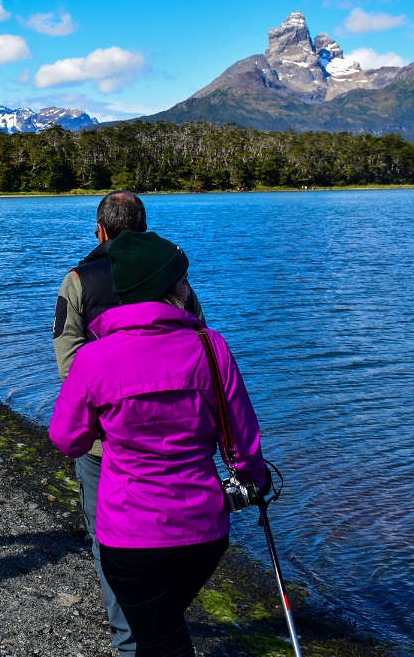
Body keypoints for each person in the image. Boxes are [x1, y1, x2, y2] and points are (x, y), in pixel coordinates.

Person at [49, 231, 268, 657]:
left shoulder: (95, 357)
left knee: (161, 638)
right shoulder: (211, 346)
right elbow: (242, 445)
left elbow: (67, 439)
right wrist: (255, 483)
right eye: (183, 282)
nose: (189, 289)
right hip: (203, 531)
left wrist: (108, 421)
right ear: (164, 289)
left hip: (129, 535)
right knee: (161, 633)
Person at [51, 191, 205, 657]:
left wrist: (105, 407)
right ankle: (157, 629)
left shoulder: (78, 280)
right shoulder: (173, 275)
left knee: (110, 541)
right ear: (143, 227)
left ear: (99, 230)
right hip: (179, 439)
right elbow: (198, 346)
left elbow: (69, 364)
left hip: (105, 443)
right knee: (179, 535)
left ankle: (132, 639)